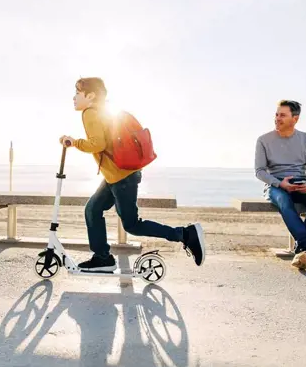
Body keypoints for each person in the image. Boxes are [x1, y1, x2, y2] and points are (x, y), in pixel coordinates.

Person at [59, 77, 205, 272]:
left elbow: (98, 144)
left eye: (78, 93)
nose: (74, 97)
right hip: (117, 177)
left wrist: (73, 142)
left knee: (132, 225)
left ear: (91, 96)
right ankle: (102, 257)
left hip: (121, 179)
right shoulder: (103, 111)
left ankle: (185, 234)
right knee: (92, 210)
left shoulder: (89, 113)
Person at [255, 100, 306, 269]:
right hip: (275, 185)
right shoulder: (263, 140)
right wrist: (279, 183)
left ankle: (304, 249)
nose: (277, 118)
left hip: (301, 183)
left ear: (295, 119)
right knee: (284, 200)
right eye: (276, 114)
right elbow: (260, 171)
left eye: (282, 115)